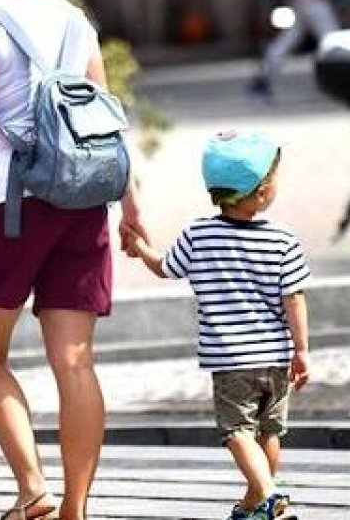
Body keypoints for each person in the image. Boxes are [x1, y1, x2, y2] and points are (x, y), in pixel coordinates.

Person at [0, 0, 146, 520]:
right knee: (75, 361)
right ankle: (76, 509)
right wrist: (132, 210)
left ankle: (33, 489)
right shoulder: (74, 19)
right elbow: (106, 124)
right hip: (84, 204)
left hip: (7, 207)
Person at [121, 130, 311, 520]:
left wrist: (139, 247)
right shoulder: (282, 240)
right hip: (274, 356)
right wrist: (302, 349)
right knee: (269, 432)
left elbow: (163, 268)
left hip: (230, 359)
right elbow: (294, 298)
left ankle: (267, 496)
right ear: (260, 193)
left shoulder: (198, 235)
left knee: (236, 431)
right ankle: (257, 503)